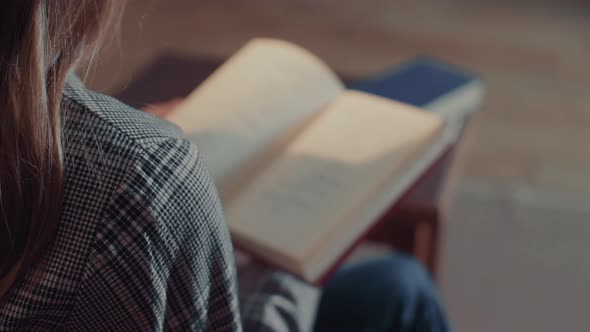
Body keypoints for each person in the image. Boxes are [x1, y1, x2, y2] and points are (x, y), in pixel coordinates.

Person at [0, 1, 452, 331]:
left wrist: (125, 131)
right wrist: (279, 261)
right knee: (402, 293)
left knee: (396, 285)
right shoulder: (146, 177)